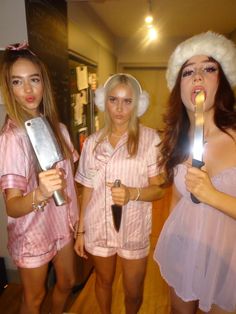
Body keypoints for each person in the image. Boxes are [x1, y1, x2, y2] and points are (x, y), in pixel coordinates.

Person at [153, 31, 236, 314]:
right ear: (180, 87)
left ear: (221, 81)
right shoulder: (177, 142)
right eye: (188, 71)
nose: (198, 76)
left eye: (209, 68)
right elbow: (178, 201)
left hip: (228, 261)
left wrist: (211, 195)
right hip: (184, 252)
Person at [74, 73, 165, 314]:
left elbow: (158, 189)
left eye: (127, 101)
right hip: (98, 225)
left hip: (132, 226)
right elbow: (87, 188)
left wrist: (133, 193)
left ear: (137, 104)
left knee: (133, 292)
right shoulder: (92, 142)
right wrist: (80, 230)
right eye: (113, 99)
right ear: (105, 101)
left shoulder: (150, 140)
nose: (120, 108)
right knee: (103, 281)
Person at [0, 43, 79, 314]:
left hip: (60, 223)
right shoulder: (12, 138)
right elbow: (12, 206)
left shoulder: (58, 129)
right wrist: (40, 193)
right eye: (17, 82)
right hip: (32, 231)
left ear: (43, 83)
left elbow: (70, 179)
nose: (28, 90)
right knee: (34, 299)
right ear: (8, 89)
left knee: (67, 281)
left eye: (34, 80)